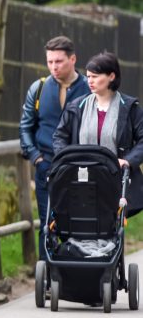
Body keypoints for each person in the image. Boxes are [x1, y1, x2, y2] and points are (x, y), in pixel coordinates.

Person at [20, 36, 90, 260]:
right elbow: (25, 127)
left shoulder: (89, 89)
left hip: (81, 167)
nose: (53, 67)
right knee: (46, 222)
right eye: (49, 62)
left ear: (73, 59)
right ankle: (48, 275)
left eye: (59, 61)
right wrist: (36, 158)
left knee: (80, 222)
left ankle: (79, 272)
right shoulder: (38, 88)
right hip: (46, 166)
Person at [53, 51, 143, 216]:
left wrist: (128, 161)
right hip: (80, 179)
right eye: (88, 76)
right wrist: (66, 160)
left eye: (95, 76)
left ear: (111, 76)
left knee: (113, 229)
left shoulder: (130, 108)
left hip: (114, 181)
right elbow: (60, 136)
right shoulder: (76, 107)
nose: (90, 81)